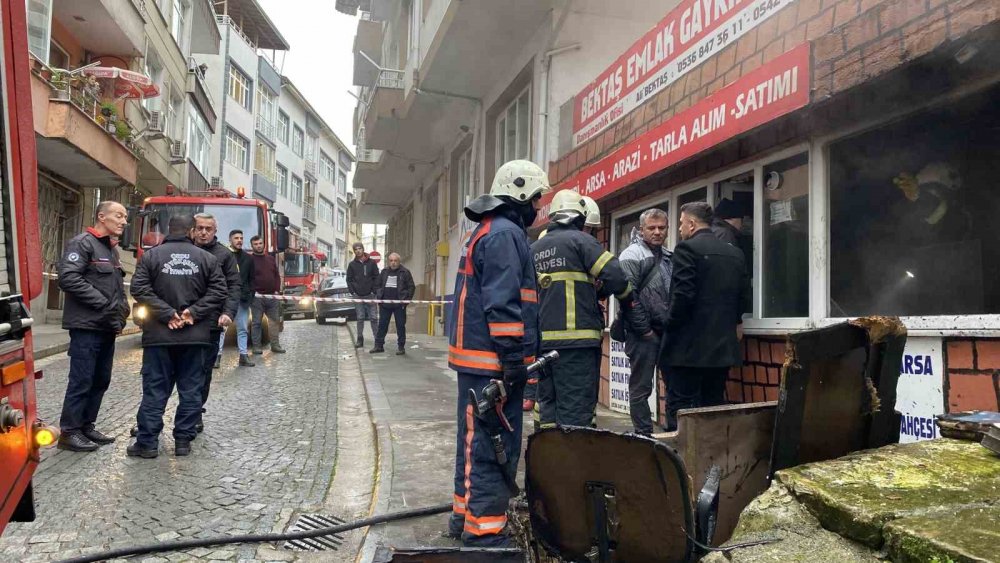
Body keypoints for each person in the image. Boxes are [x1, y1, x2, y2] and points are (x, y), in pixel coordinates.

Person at [448, 159, 547, 547]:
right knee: (492, 446)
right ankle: (485, 532)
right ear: (520, 193)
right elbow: (504, 304)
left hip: (478, 362)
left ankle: (464, 516)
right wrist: (512, 361)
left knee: (473, 443)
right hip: (493, 364)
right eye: (536, 198)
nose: (538, 207)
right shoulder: (505, 235)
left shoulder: (487, 230)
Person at [128, 214, 227, 458]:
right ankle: (183, 440)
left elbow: (139, 288)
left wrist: (167, 314)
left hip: (159, 336)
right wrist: (192, 312)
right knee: (191, 389)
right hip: (195, 336)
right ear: (191, 231)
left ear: (167, 230)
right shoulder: (206, 258)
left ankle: (148, 443)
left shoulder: (151, 256)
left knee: (155, 390)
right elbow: (219, 291)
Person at [531, 190, 632, 428]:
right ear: (579, 218)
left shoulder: (534, 249)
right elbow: (617, 277)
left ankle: (546, 456)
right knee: (576, 410)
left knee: (547, 405)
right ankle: (573, 462)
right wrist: (629, 301)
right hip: (577, 346)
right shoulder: (581, 241)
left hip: (543, 344)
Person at [663, 202, 748, 431]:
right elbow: (743, 296)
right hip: (721, 348)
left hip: (688, 349)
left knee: (680, 407)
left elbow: (682, 296)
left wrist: (668, 324)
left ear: (691, 224)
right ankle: (712, 460)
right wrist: (737, 322)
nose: (680, 229)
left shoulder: (686, 249)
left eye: (681, 224)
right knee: (713, 406)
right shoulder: (735, 253)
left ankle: (677, 461)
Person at [56, 201, 131, 452]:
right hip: (86, 326)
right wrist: (104, 304)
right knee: (82, 379)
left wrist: (120, 315)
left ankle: (87, 425)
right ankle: (69, 432)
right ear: (102, 216)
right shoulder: (82, 243)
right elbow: (68, 278)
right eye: (118, 216)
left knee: (101, 379)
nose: (123, 221)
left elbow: (116, 288)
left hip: (106, 326)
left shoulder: (111, 249)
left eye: (125, 217)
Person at [618, 208, 672, 436]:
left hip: (667, 332)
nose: (657, 232)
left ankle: (672, 431)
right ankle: (643, 434)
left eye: (662, 228)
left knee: (673, 386)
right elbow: (628, 298)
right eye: (652, 228)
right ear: (641, 230)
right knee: (641, 388)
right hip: (642, 335)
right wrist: (645, 331)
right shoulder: (631, 255)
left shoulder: (668, 255)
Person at [192, 213, 240, 432]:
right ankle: (153, 416)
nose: (203, 232)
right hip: (182, 322)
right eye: (199, 228)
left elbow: (233, 286)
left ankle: (195, 412)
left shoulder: (224, 255)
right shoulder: (183, 250)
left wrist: (228, 312)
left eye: (208, 229)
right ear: (193, 230)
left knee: (203, 371)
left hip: (210, 323)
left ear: (214, 231)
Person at [371, 252, 415, 355]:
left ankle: (401, 347)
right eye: (391, 261)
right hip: (385, 305)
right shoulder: (384, 272)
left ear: (399, 261)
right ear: (388, 261)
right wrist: (379, 297)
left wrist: (406, 301)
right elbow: (377, 285)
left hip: (399, 305)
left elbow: (411, 287)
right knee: (382, 325)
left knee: (400, 326)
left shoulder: (405, 272)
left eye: (395, 261)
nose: (393, 263)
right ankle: (379, 346)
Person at [250, 235, 285, 354]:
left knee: (274, 321)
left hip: (272, 296)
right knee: (256, 323)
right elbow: (247, 278)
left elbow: (276, 275)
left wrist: (276, 290)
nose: (258, 246)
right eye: (255, 244)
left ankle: (275, 345)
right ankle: (256, 347)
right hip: (257, 297)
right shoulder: (249, 260)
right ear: (252, 246)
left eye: (260, 243)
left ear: (263, 244)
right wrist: (252, 291)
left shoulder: (270, 259)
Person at [229, 229, 255, 367]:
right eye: (236, 238)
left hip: (243, 299)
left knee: (243, 328)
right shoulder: (225, 255)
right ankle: (217, 357)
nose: (239, 240)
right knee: (221, 328)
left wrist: (250, 295)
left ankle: (243, 356)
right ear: (230, 240)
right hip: (226, 298)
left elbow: (252, 279)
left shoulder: (248, 258)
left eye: (241, 238)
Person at [347, 242, 380, 348]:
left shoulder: (372, 263)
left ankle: (377, 340)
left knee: (374, 318)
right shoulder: (352, 265)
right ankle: (360, 339)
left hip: (370, 295)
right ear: (354, 251)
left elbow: (377, 277)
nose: (358, 251)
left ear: (363, 249)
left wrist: (373, 291)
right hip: (358, 296)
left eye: (359, 248)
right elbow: (349, 279)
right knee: (360, 318)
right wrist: (353, 292)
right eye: (355, 249)